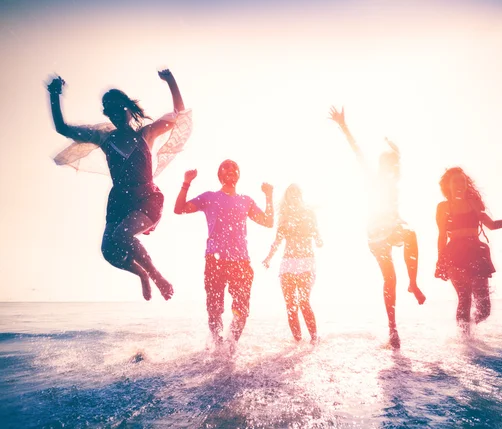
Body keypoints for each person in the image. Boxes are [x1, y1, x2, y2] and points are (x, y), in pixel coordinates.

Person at [48, 69, 191, 301]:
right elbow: (63, 128)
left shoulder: (147, 134)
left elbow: (178, 114)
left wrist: (171, 81)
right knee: (109, 251)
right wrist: (54, 94)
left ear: (128, 108)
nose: (114, 115)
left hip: (146, 199)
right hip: (120, 201)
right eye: (109, 111)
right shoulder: (105, 138)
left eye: (117, 109)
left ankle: (157, 277)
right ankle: (142, 274)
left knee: (122, 236)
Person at [329, 106, 425, 349]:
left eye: (393, 166)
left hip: (392, 228)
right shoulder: (373, 177)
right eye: (387, 165)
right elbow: (358, 152)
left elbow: (398, 160)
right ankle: (393, 328)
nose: (391, 169)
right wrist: (343, 126)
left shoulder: (394, 180)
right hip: (375, 233)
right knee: (389, 278)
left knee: (411, 234)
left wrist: (396, 152)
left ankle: (412, 284)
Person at [174, 160, 274, 346]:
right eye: (226, 168)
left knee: (242, 310)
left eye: (234, 168)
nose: (231, 170)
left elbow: (268, 222)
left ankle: (231, 345)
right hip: (215, 260)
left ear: (238, 175)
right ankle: (217, 344)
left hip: (241, 262)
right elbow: (179, 209)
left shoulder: (246, 201)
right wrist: (186, 183)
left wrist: (269, 196)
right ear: (220, 175)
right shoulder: (209, 197)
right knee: (214, 309)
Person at [435, 167, 502, 334]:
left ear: (467, 184)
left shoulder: (473, 203)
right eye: (455, 181)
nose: (460, 184)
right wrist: (440, 260)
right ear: (448, 185)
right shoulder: (443, 207)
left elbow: (492, 225)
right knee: (464, 298)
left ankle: (470, 329)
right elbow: (441, 236)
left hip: (476, 251)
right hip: (454, 253)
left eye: (463, 181)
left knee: (484, 308)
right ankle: (464, 340)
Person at [263, 184, 323, 344]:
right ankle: (297, 342)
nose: (294, 196)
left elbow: (318, 237)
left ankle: (314, 339)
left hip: (306, 263)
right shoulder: (284, 217)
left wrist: (318, 239)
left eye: (297, 193)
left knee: (304, 301)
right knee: (291, 305)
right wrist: (268, 258)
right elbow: (277, 241)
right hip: (288, 264)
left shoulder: (310, 214)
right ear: (287, 197)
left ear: (301, 196)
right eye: (291, 194)